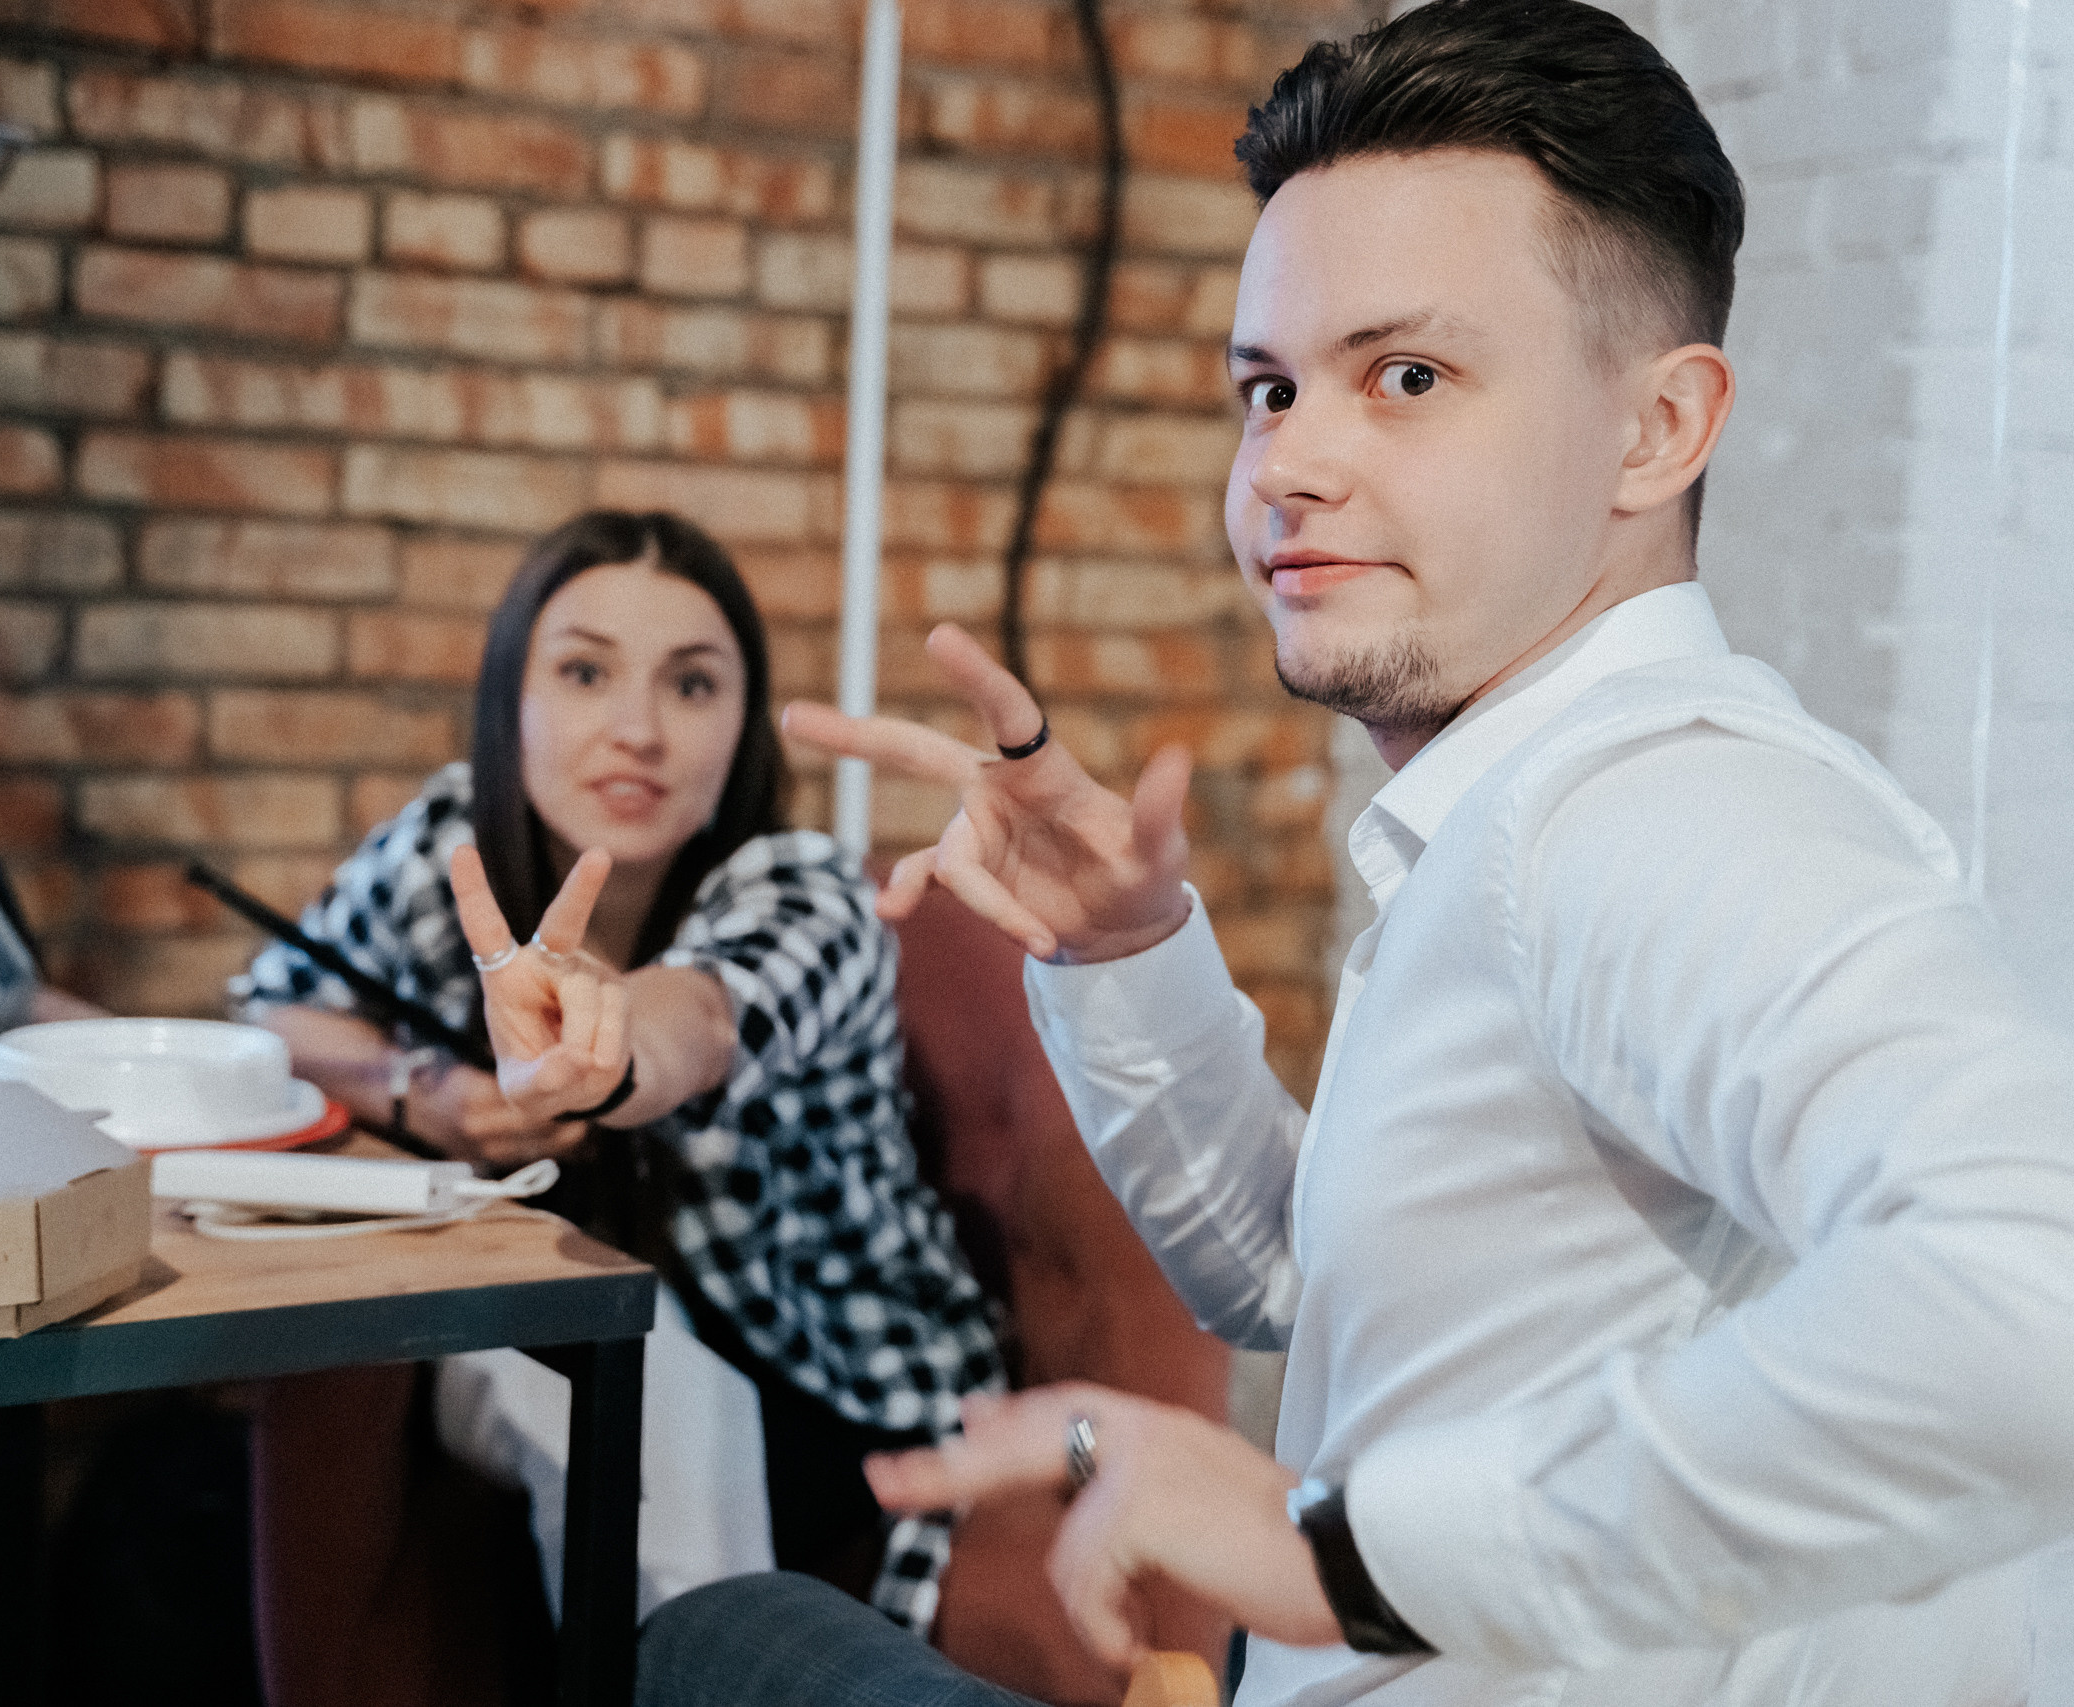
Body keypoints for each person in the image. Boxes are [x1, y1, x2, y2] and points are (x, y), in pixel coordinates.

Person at [627, 3, 2074, 1705]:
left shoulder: (1654, 805)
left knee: (712, 1643)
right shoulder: (1507, 813)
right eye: (1269, 388)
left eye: (1408, 378)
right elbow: (1319, 1287)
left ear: (1657, 430)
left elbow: (2031, 1291)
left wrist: (1355, 1557)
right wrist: (1125, 951)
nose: (1286, 466)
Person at [235, 509, 1004, 1704]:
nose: (635, 730)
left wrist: (602, 1037)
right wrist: (425, 1092)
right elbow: (271, 1012)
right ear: (512, 701)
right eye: (585, 671)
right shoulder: (454, 844)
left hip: (829, 1383)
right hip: (580, 1325)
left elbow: (695, 1022)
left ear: (742, 727)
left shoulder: (803, 891)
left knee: (643, 1380)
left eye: (691, 685)